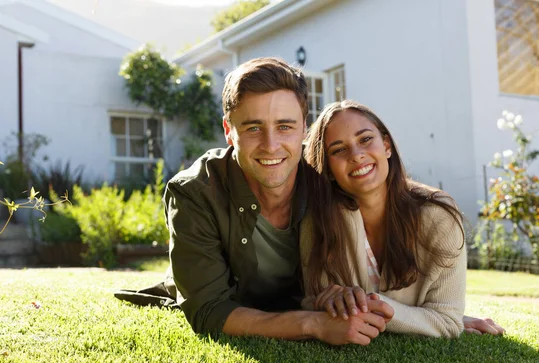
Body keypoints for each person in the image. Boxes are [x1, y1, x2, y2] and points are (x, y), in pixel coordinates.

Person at [116, 57, 504, 342]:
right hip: (233, 300)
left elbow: (362, 274)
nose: (271, 146)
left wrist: (434, 317)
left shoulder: (326, 182)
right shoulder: (194, 192)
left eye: (285, 127)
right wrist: (315, 325)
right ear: (228, 131)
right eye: (253, 128)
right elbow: (209, 312)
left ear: (304, 127)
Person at [301, 100, 504, 338]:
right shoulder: (318, 221)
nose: (356, 155)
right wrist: (328, 303)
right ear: (328, 169)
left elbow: (447, 321)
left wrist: (378, 307)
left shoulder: (439, 215)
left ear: (386, 145)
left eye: (365, 139)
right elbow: (314, 302)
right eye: (338, 150)